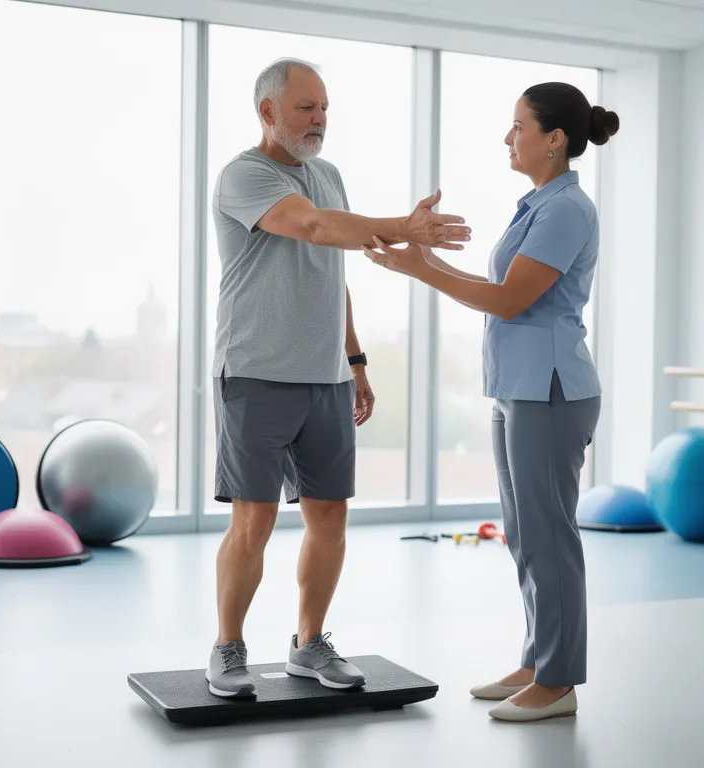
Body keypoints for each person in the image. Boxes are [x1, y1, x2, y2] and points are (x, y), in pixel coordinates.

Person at [206, 57, 472, 699]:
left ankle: (309, 643)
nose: (319, 118)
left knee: (330, 515)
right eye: (305, 107)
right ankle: (228, 648)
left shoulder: (329, 174)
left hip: (324, 377)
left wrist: (354, 362)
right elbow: (315, 227)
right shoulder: (245, 175)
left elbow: (333, 271)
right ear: (267, 112)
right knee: (255, 520)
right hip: (257, 372)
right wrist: (404, 227)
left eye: (324, 106)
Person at [363, 81, 618, 722]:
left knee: (548, 535)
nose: (508, 138)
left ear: (554, 139)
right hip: (517, 389)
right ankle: (538, 660)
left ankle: (558, 682)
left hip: (551, 393)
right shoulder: (536, 204)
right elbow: (499, 285)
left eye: (518, 127)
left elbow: (510, 302)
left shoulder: (566, 210)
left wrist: (424, 270)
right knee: (523, 535)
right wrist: (418, 264)